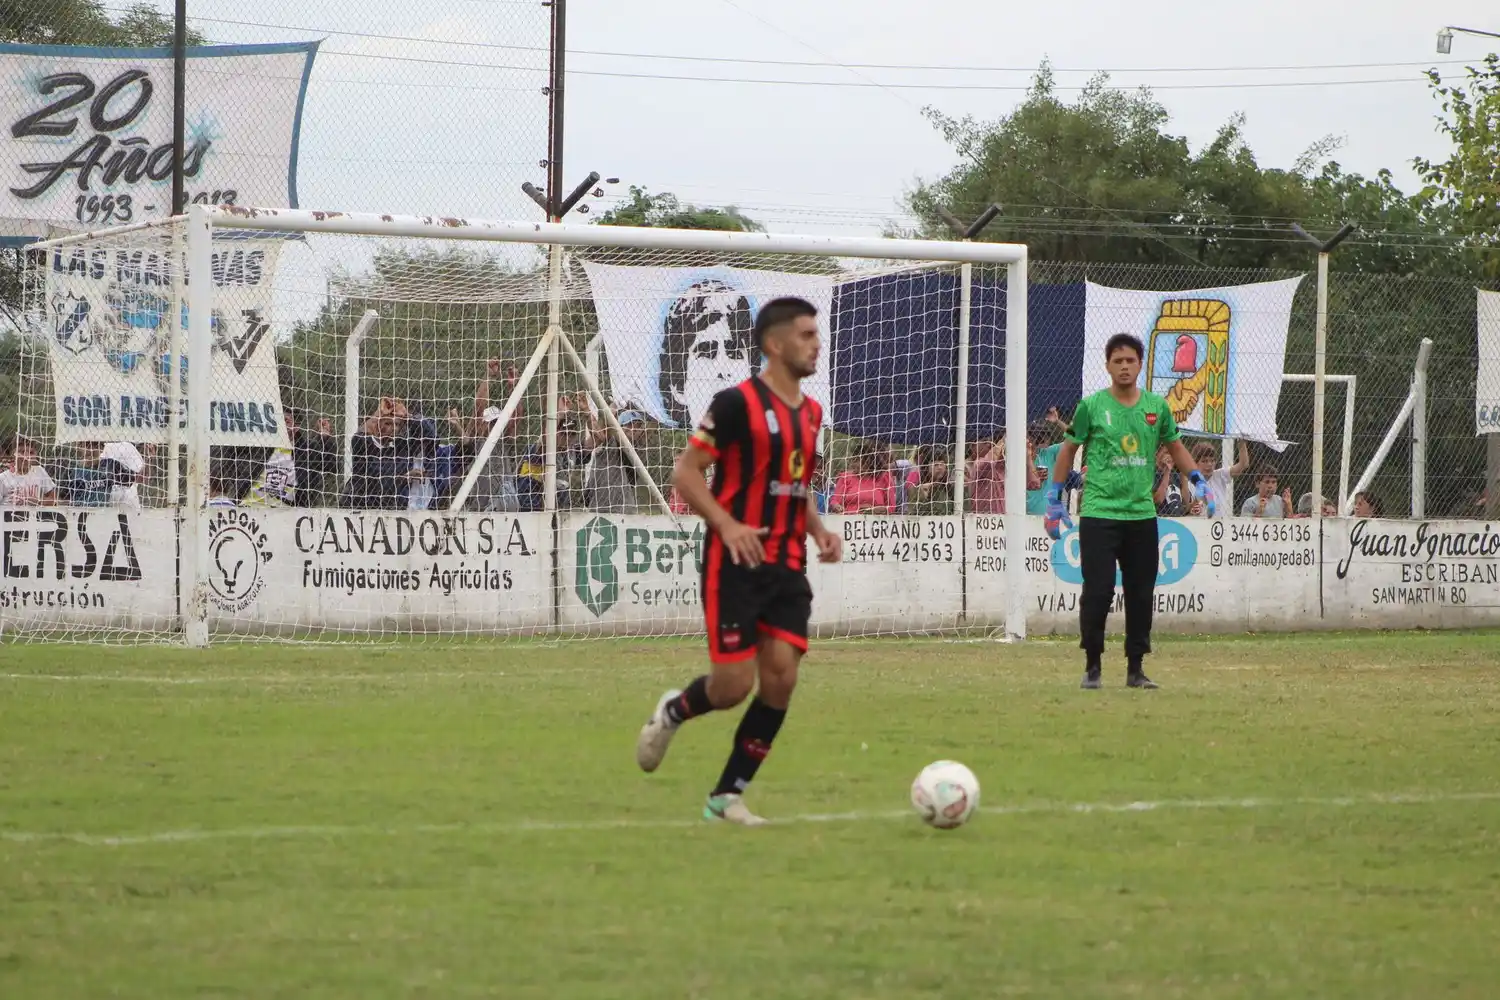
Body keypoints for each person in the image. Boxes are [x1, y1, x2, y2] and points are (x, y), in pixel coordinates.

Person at [635, 296, 842, 826]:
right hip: (734, 564)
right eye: (805, 334)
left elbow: (798, 486)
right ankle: (675, 710)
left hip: (787, 563)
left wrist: (818, 530)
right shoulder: (734, 405)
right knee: (731, 689)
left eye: (816, 334)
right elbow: (685, 474)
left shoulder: (813, 414)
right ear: (774, 345)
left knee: (781, 680)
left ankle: (726, 796)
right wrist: (725, 523)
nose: (815, 343)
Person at [1044, 333, 1212, 690]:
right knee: (1099, 590)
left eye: (1130, 360)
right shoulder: (1091, 406)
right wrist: (1054, 498)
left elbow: (1175, 447)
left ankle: (1136, 669)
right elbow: (1067, 450)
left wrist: (1198, 479)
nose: (1124, 366)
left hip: (1141, 515)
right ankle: (1092, 666)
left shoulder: (1157, 407)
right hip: (1099, 513)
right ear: (1107, 365)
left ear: (1140, 364)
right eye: (1117, 361)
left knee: (1140, 592)